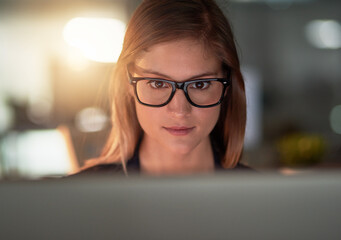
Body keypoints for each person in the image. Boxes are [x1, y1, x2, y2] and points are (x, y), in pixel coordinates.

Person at [75, 0, 248, 176]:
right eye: (158, 84)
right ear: (127, 83)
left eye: (199, 84)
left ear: (227, 86)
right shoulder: (74, 198)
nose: (180, 111)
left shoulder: (265, 199)